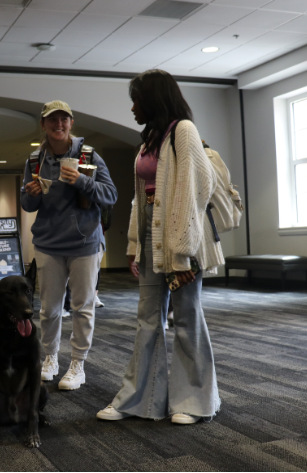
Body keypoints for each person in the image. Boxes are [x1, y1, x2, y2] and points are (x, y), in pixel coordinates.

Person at [97, 69, 224, 425]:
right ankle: (139, 399)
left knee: (186, 318)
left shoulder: (183, 131)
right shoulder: (149, 140)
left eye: (137, 100)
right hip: (153, 235)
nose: (133, 107)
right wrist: (136, 246)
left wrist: (180, 250)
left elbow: (191, 193)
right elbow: (141, 198)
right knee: (147, 320)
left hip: (181, 237)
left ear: (154, 99)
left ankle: (194, 402)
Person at [21, 100, 117, 391]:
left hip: (84, 242)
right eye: (53, 120)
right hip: (49, 243)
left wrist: (81, 182)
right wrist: (32, 194)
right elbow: (27, 205)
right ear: (44, 125)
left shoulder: (89, 155)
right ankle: (49, 358)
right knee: (48, 309)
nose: (58, 124)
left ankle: (78, 364)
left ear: (71, 123)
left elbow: (110, 195)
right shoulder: (35, 160)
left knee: (82, 307)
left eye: (64, 119)